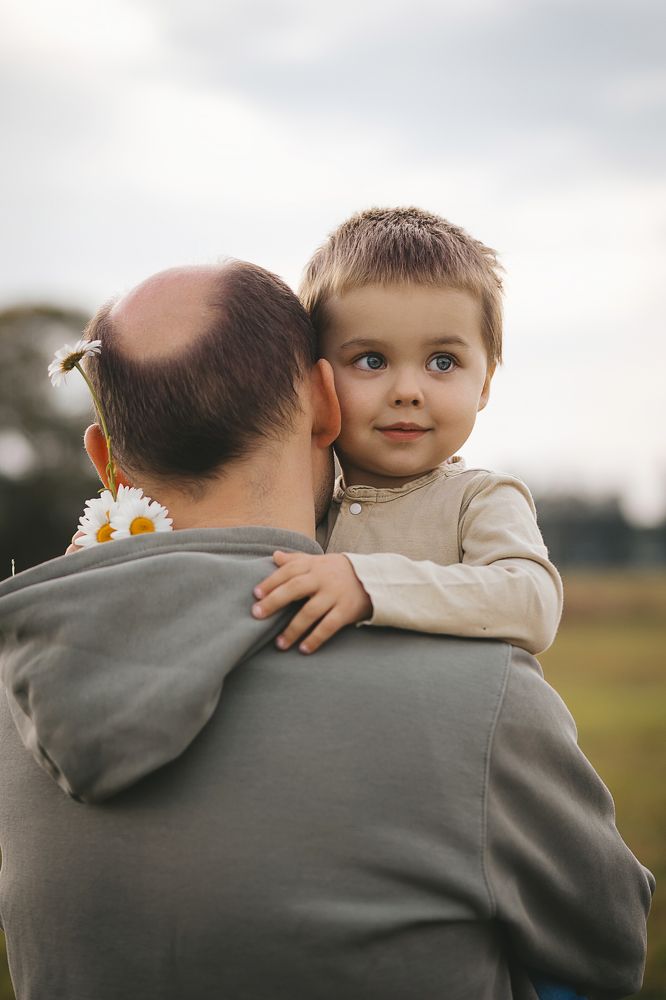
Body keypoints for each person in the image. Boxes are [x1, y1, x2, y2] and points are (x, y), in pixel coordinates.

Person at [0, 261, 653, 1000]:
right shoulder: (482, 700)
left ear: (105, 460)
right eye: (371, 362)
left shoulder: (14, 702)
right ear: (324, 401)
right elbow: (610, 951)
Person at [251, 206, 562, 660]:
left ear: (485, 384)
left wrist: (367, 584)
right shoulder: (297, 501)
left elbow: (531, 602)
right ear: (318, 383)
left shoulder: (479, 500)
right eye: (372, 360)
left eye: (442, 362)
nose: (407, 392)